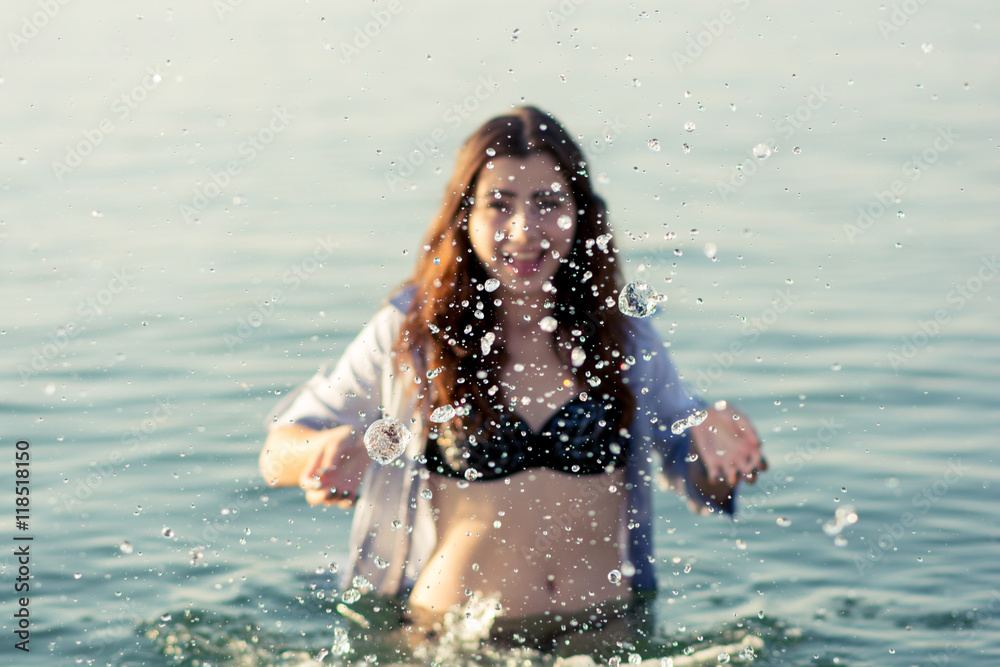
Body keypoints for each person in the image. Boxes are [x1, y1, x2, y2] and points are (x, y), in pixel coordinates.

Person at [259, 106, 765, 654]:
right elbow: (277, 452)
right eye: (499, 205)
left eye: (548, 205)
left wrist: (716, 450)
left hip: (604, 640)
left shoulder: (624, 339)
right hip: (451, 643)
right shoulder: (414, 333)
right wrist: (325, 450)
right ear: (464, 216)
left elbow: (696, 475)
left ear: (581, 215)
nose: (525, 231)